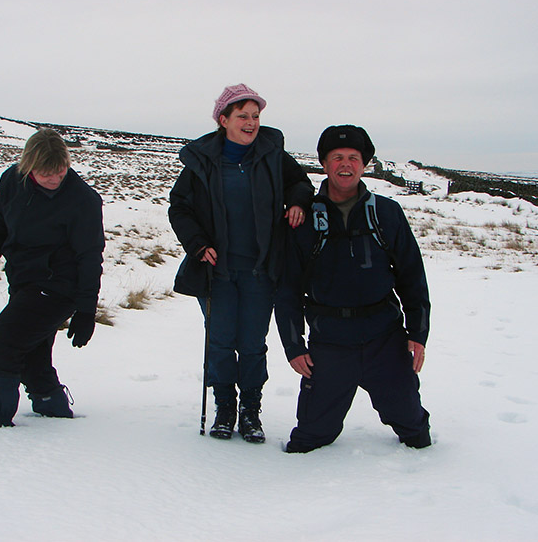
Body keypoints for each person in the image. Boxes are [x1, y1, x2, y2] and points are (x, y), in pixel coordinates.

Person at [169, 83, 314, 443]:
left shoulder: (271, 154)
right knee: (219, 341)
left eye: (256, 116)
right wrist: (197, 244)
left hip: (260, 270)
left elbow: (301, 183)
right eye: (242, 116)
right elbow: (180, 207)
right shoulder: (203, 160)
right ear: (223, 120)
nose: (251, 123)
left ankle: (250, 410)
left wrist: (297, 202)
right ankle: (224, 407)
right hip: (217, 270)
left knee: (251, 343)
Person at [274, 124, 431, 452]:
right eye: (337, 157)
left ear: (364, 164)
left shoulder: (386, 213)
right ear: (324, 163)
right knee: (309, 439)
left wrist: (417, 333)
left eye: (353, 158)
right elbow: (287, 288)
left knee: (415, 432)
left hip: (384, 338)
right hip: (329, 343)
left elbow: (412, 276)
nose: (345, 164)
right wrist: (293, 345)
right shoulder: (303, 220)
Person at [0, 128, 104, 427]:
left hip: (59, 287)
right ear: (28, 166)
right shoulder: (12, 181)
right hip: (23, 281)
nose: (54, 179)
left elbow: (90, 256)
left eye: (60, 171)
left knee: (1, 345)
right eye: (46, 173)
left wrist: (86, 310)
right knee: (32, 355)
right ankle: (54, 411)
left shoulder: (82, 200)